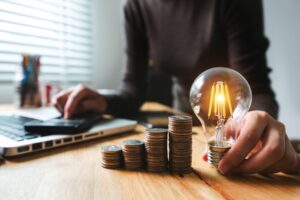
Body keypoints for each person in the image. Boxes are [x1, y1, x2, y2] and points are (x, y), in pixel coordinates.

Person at [54, 0, 300, 174]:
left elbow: (256, 88)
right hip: (184, 122)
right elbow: (132, 90)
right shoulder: (136, 5)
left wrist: (254, 123)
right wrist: (103, 100)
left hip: (235, 126)